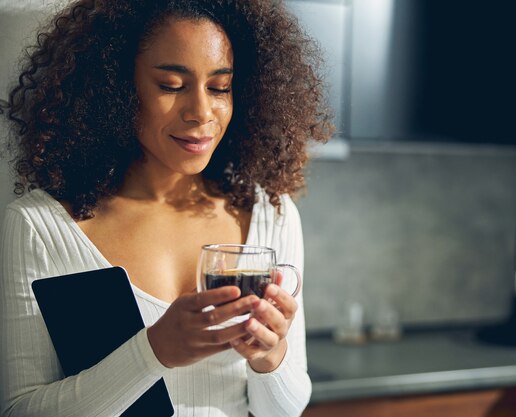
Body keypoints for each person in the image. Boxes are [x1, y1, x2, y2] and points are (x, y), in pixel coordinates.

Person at [0, 0, 333, 416]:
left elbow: (283, 411)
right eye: (172, 85)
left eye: (219, 88)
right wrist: (153, 352)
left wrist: (271, 357)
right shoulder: (41, 228)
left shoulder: (270, 215)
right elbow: (20, 410)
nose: (200, 112)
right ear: (118, 88)